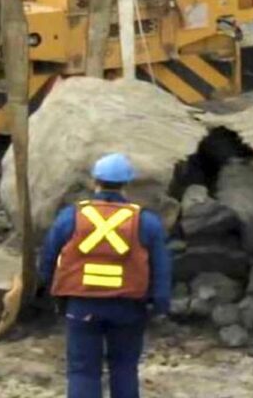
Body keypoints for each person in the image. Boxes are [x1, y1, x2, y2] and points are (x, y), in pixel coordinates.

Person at [40, 153, 172, 398]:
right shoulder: (146, 221)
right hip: (129, 308)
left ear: (95, 181)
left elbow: (48, 258)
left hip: (81, 305)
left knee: (83, 372)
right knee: (124, 368)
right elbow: (161, 268)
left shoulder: (71, 216)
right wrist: (159, 305)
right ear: (126, 184)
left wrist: (51, 293)